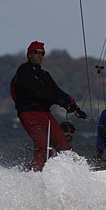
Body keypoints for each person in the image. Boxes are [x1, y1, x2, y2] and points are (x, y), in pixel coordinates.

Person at [11, 41, 86, 171]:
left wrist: (74, 107)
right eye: (36, 53)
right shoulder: (23, 71)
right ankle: (32, 174)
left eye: (42, 53)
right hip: (29, 113)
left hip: (45, 113)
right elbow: (38, 91)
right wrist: (63, 103)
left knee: (65, 148)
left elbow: (57, 91)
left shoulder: (45, 75)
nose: (40, 56)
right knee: (43, 147)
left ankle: (76, 173)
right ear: (29, 54)